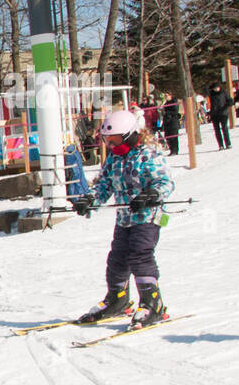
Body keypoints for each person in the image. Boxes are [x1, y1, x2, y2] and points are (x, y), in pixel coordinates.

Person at [71, 108, 176, 329]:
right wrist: (89, 200)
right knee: (117, 258)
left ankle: (152, 304)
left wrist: (151, 195)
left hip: (149, 216)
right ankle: (117, 299)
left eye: (115, 140)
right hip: (125, 218)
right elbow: (104, 185)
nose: (111, 146)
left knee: (140, 254)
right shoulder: (114, 158)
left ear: (130, 134)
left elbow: (165, 182)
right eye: (108, 141)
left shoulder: (148, 154)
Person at [207, 81, 233, 150]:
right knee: (217, 130)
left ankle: (228, 144)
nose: (216, 89)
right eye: (214, 88)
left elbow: (229, 100)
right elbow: (210, 103)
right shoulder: (211, 94)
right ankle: (220, 145)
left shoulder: (224, 92)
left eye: (217, 88)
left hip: (223, 113)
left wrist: (228, 104)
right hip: (214, 114)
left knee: (224, 129)